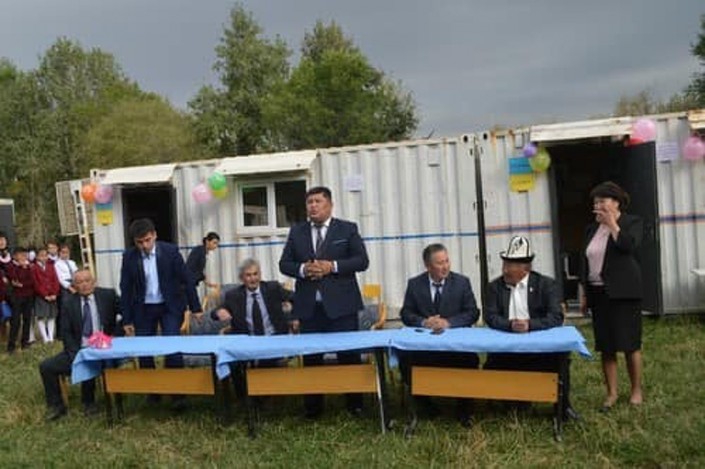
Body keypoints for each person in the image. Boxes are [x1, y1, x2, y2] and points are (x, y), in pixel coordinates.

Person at [279, 186, 369, 418]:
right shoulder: (297, 232)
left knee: (348, 356)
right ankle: (313, 408)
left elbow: (362, 261)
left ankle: (355, 405)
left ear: (330, 205)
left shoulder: (347, 229)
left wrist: (333, 266)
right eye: (309, 202)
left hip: (342, 307)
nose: (313, 206)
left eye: (318, 201)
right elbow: (284, 264)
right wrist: (303, 269)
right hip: (309, 307)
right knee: (312, 357)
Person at [483, 235, 579, 421]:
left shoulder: (546, 285)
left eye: (509, 266)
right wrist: (510, 325)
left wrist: (530, 325)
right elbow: (490, 316)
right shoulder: (495, 287)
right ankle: (506, 402)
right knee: (491, 366)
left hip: (539, 350)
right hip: (506, 351)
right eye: (504, 264)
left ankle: (563, 406)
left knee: (560, 360)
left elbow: (556, 316)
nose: (504, 270)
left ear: (525, 268)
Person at [400, 243, 480, 427]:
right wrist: (424, 322)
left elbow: (472, 313)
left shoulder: (462, 282)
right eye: (439, 263)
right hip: (425, 347)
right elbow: (406, 313)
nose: (445, 266)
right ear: (428, 266)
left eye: (447, 261)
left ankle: (464, 410)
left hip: (455, 347)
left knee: (469, 360)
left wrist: (448, 323)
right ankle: (426, 406)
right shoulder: (415, 284)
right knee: (406, 361)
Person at [580, 181, 644, 411]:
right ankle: (611, 393)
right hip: (599, 293)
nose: (597, 206)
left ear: (616, 202)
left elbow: (629, 246)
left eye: (602, 201)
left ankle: (636, 390)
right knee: (606, 345)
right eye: (595, 202)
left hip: (624, 293)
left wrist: (612, 224)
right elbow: (584, 261)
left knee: (630, 344)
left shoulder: (631, 222)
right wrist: (584, 292)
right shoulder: (591, 229)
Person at [119, 218, 202, 379]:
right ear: (134, 242)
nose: (144, 245)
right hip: (143, 308)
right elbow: (125, 288)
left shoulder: (171, 252)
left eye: (147, 240)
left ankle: (176, 385)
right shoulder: (129, 257)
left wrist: (196, 308)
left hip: (169, 306)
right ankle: (151, 386)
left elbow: (187, 279)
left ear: (155, 235)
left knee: (172, 344)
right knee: (144, 348)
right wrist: (127, 319)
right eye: (139, 242)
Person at [38, 269, 119, 421]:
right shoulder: (68, 303)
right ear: (74, 285)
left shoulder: (108, 295)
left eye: (87, 281)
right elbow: (65, 332)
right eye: (79, 282)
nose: (84, 285)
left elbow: (126, 313)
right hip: (79, 348)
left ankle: (89, 403)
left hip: (104, 348)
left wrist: (116, 334)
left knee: (89, 360)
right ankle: (56, 406)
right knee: (46, 366)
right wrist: (76, 354)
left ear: (94, 281)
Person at [6, 247, 35, 353]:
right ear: (15, 256)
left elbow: (31, 281)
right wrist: (22, 268)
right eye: (21, 255)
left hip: (28, 296)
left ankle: (25, 342)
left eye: (25, 255)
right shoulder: (11, 266)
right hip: (17, 297)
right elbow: (15, 279)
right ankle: (11, 346)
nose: (23, 257)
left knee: (27, 319)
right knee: (16, 321)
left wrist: (22, 284)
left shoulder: (29, 267)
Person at [32, 247, 60, 344]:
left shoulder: (51, 266)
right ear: (37, 257)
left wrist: (55, 293)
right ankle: (45, 337)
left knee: (51, 316)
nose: (44, 258)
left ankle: (50, 337)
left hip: (52, 294)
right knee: (41, 316)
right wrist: (44, 295)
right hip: (41, 296)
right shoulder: (34, 268)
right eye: (41, 255)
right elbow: (36, 284)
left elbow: (55, 280)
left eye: (45, 255)